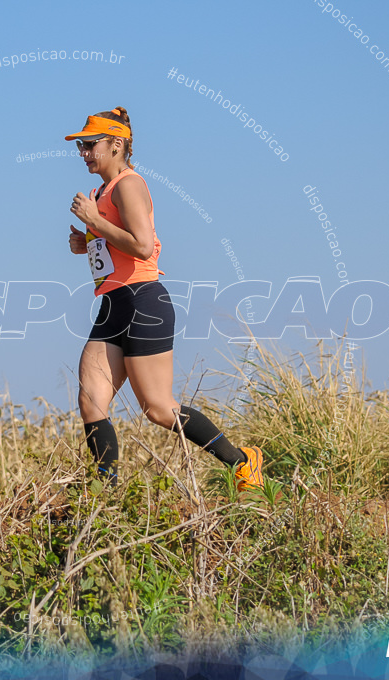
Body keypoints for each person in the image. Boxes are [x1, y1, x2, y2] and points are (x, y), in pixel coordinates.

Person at [64, 107, 264, 490]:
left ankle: (242, 462)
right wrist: (86, 242)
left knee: (157, 409)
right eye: (81, 147)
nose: (84, 153)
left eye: (91, 145)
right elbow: (115, 247)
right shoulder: (100, 192)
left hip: (143, 302)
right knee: (91, 399)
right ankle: (106, 492)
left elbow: (142, 246)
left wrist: (96, 221)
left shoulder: (129, 185)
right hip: (112, 305)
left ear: (116, 144)